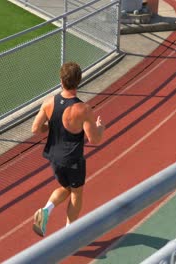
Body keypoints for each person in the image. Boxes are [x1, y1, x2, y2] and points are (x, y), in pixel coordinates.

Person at [31, 62, 105, 237]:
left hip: (54, 158)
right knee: (76, 194)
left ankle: (46, 210)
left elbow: (35, 129)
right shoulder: (83, 109)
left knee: (65, 188)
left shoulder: (49, 102)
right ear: (79, 81)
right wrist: (100, 127)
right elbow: (94, 139)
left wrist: (51, 126)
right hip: (73, 160)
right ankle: (69, 234)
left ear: (61, 80)